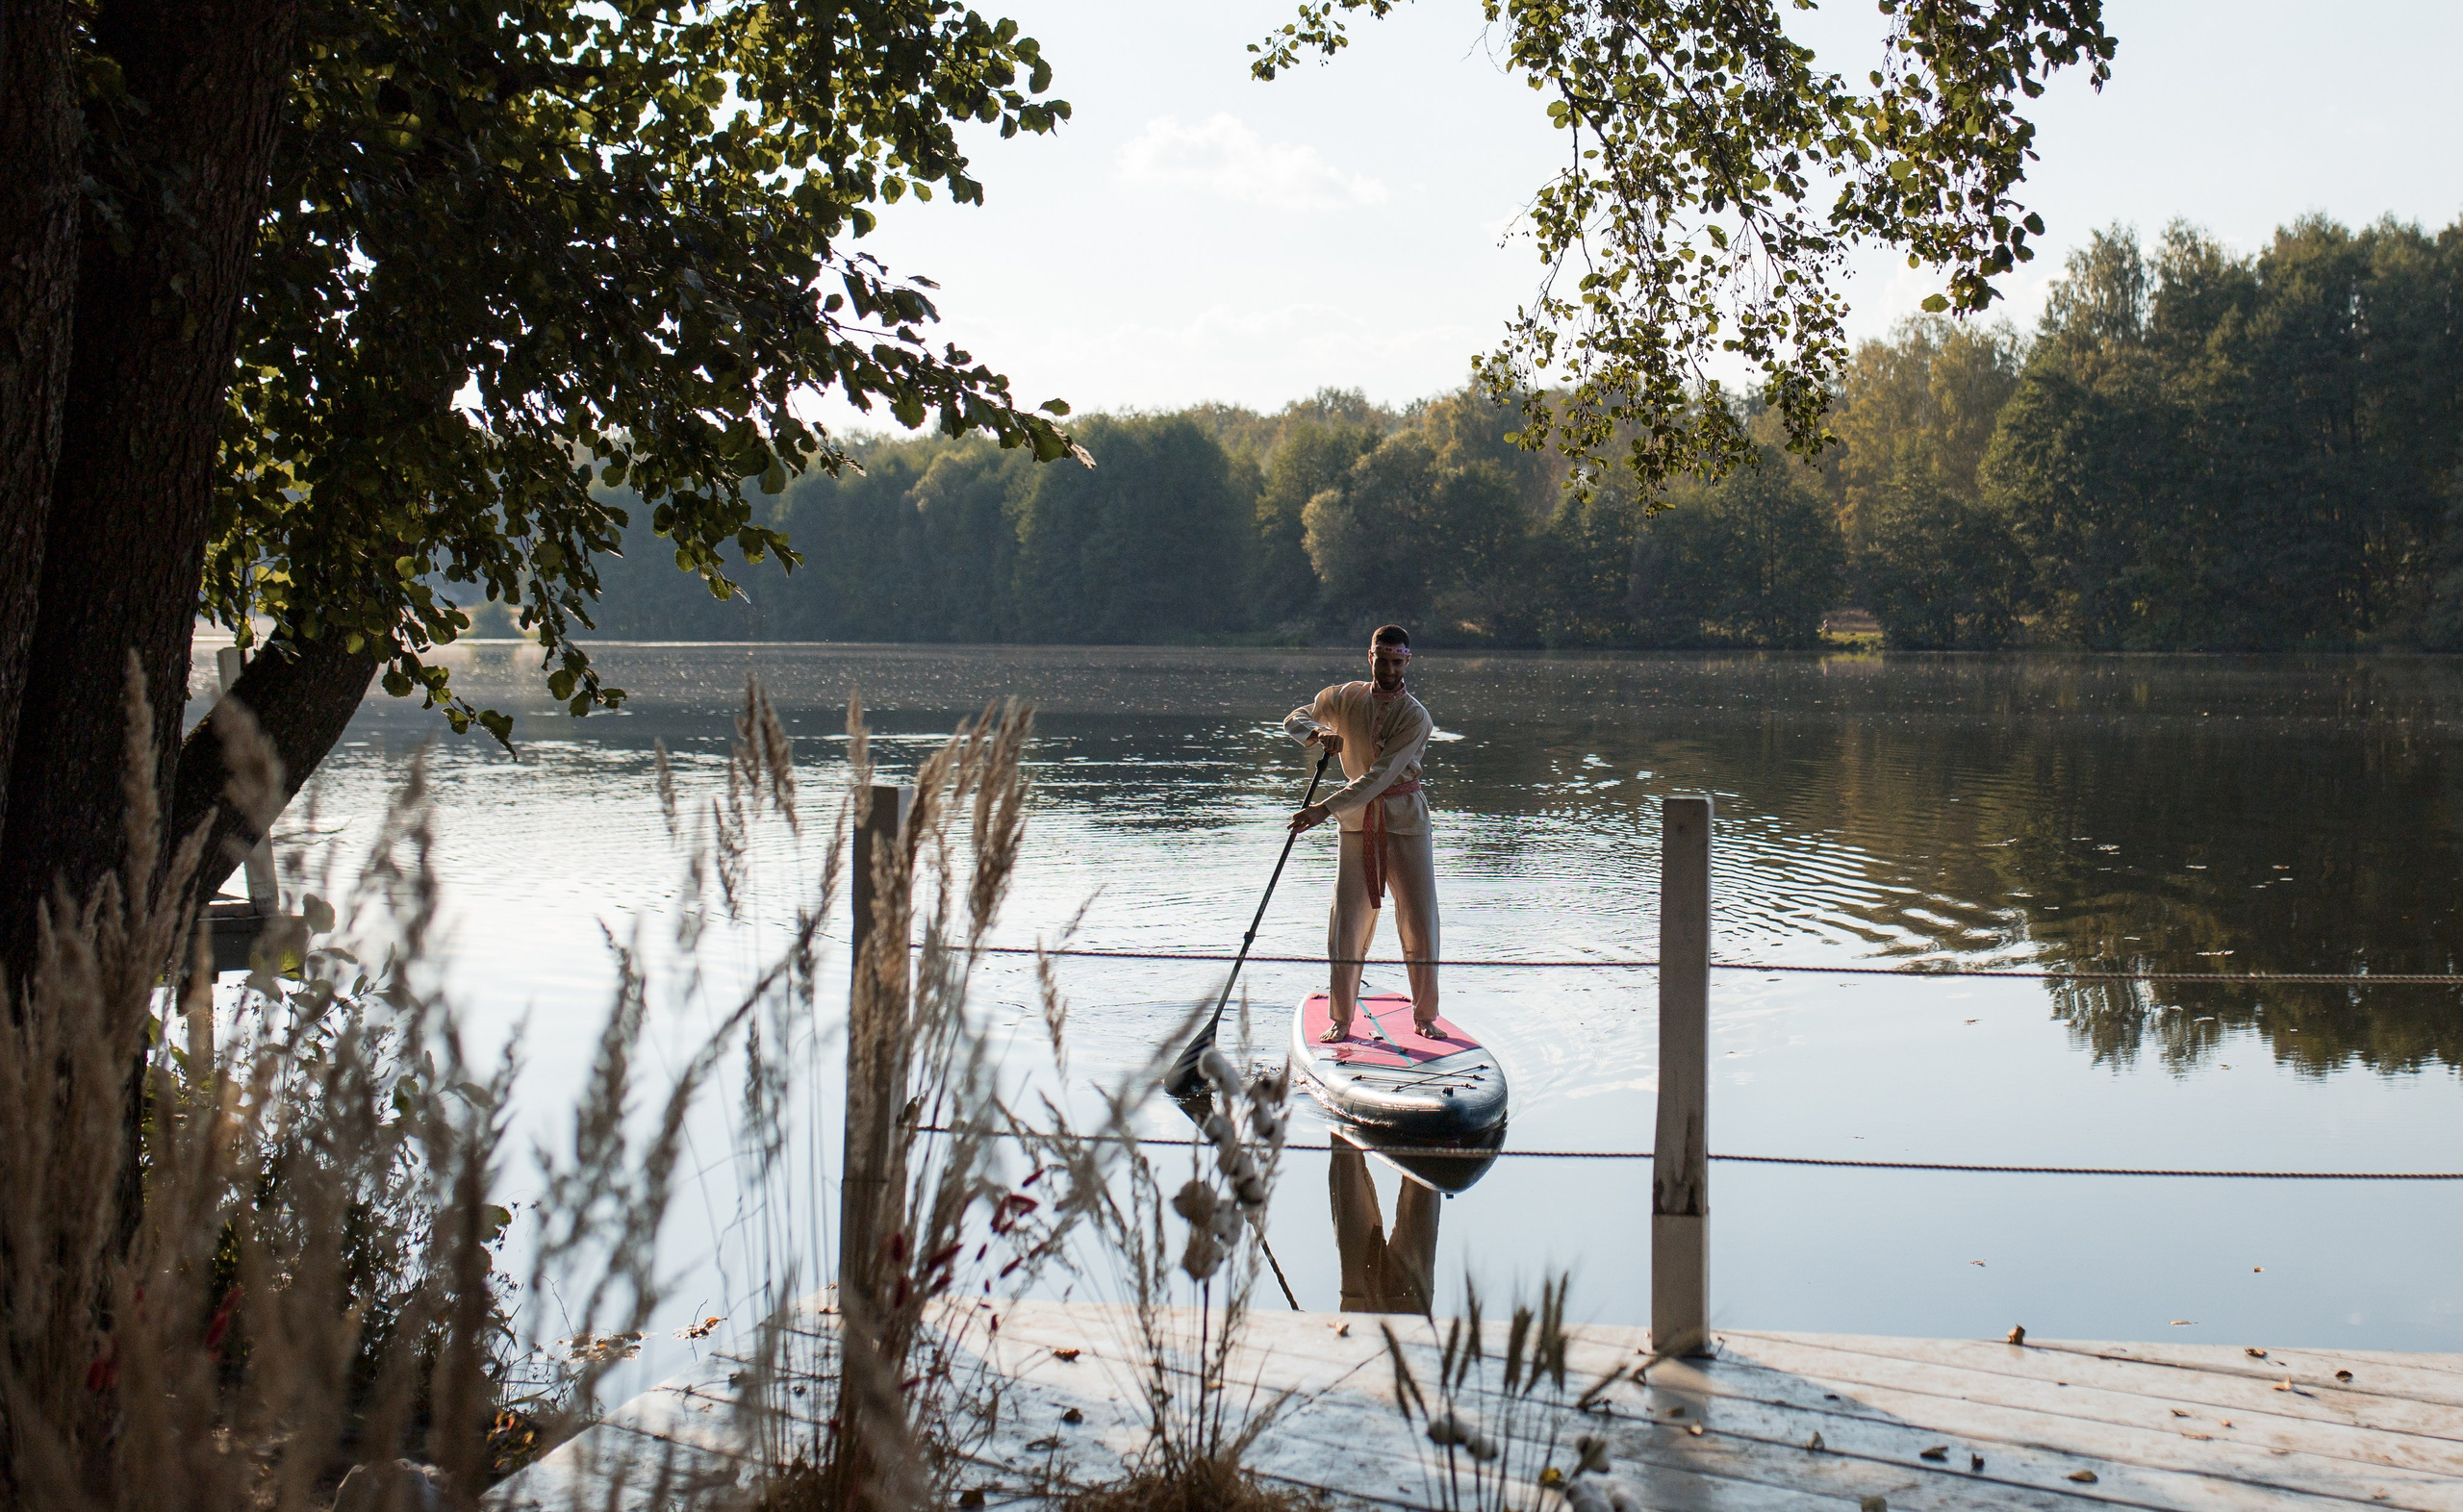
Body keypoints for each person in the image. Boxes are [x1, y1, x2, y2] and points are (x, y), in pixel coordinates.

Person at [1284, 624, 1439, 1041]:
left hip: (1404, 820)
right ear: (1369, 656)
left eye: (1396, 662)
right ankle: (1341, 1019)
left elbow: (1380, 776)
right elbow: (1295, 718)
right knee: (1347, 921)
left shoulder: (1416, 716)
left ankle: (1425, 1017)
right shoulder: (1343, 696)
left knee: (1420, 921)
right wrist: (1318, 733)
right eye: (1381, 660)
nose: (1388, 669)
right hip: (1356, 823)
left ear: (1407, 661)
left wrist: (1323, 809)